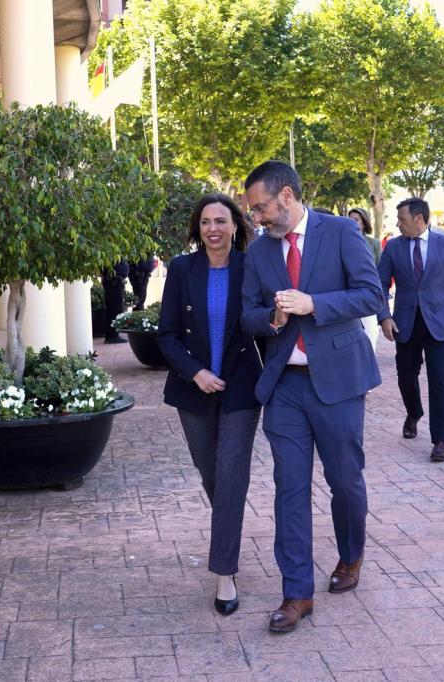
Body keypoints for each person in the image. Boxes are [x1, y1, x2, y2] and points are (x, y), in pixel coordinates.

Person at [241, 161, 384, 633]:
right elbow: (248, 314)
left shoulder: (341, 232)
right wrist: (274, 319)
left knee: (345, 480)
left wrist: (314, 304)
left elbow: (371, 295)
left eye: (260, 207)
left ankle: (351, 555)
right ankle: (297, 592)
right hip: (285, 385)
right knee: (290, 487)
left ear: (286, 196)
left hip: (339, 381)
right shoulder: (259, 251)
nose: (256, 217)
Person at [157, 193, 262, 617]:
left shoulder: (251, 267)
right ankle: (229, 534)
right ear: (197, 229)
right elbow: (167, 334)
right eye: (205, 222)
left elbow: (263, 321)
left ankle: (224, 574)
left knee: (232, 474)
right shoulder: (182, 269)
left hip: (241, 388)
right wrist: (195, 372)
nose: (213, 229)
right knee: (211, 473)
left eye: (221, 221)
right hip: (193, 389)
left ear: (235, 226)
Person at [378, 198, 444, 462]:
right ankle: (414, 412)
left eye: (402, 219)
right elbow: (380, 285)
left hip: (439, 323)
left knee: (440, 380)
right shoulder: (393, 247)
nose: (398, 224)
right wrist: (384, 317)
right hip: (405, 323)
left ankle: (441, 440)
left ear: (419, 219)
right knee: (406, 376)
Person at [348, 207, 383, 354]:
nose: (352, 222)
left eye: (356, 220)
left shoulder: (374, 244)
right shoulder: (342, 241)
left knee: (370, 337)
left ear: (364, 223)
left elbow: (380, 271)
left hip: (368, 295)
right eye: (349, 219)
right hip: (348, 296)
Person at [101, 261, 129, 344]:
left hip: (115, 281)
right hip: (114, 282)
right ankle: (112, 336)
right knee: (114, 310)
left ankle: (112, 335)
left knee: (115, 309)